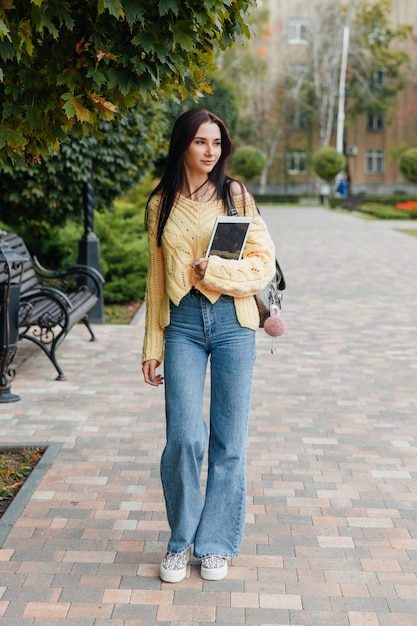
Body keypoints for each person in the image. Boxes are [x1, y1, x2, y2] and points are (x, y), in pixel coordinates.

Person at [141, 108, 276, 584]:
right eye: (201, 142)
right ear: (183, 144)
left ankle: (215, 545)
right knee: (183, 437)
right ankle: (180, 541)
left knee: (228, 440)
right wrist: (150, 344)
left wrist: (213, 272)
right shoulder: (161, 203)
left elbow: (263, 262)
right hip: (182, 324)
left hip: (234, 321)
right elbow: (156, 280)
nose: (210, 151)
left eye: (217, 143)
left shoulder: (236, 196)